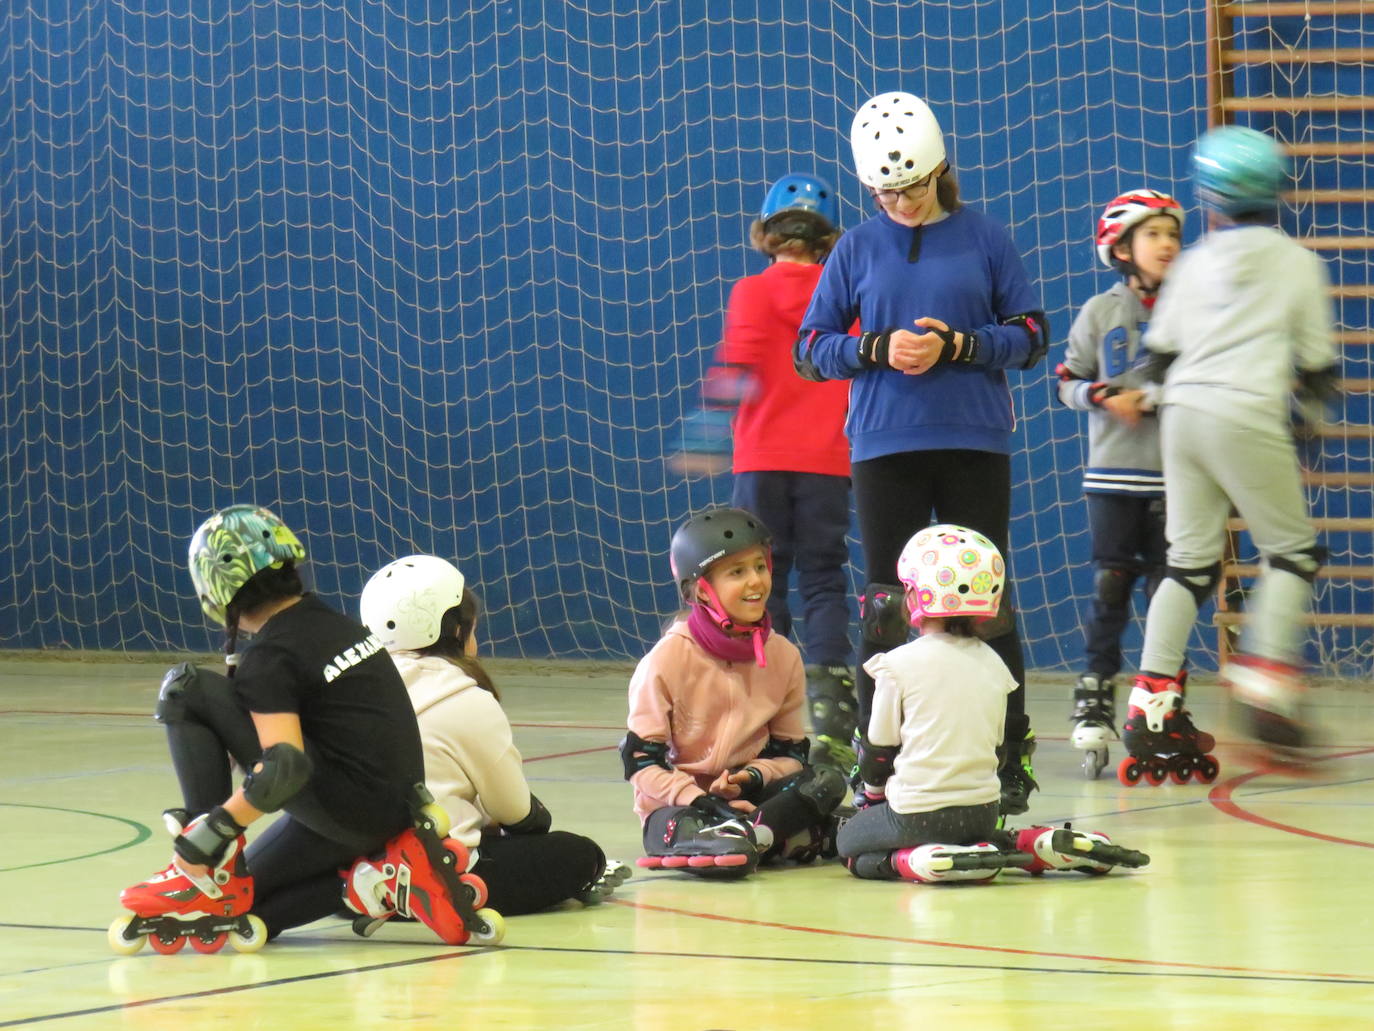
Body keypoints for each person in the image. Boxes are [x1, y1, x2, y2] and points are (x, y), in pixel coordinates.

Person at [795, 90, 1050, 814]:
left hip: (973, 437)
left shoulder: (985, 237)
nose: (900, 200)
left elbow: (1032, 333)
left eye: (911, 185)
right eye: (884, 189)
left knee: (985, 600)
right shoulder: (855, 247)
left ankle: (1007, 755)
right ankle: (883, 762)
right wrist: (876, 346)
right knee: (887, 605)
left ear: (939, 168)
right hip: (884, 444)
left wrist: (960, 344)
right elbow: (809, 350)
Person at [112, 505, 493, 955]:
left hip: (347, 805)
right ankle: (378, 881)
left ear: (215, 591)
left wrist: (213, 832)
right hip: (393, 809)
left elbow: (285, 767)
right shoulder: (335, 625)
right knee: (243, 906)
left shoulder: (271, 655)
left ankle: (208, 864)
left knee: (186, 688)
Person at [1126, 125, 1339, 777]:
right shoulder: (1297, 262)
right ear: (1278, 192)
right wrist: (1307, 427)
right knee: (1292, 555)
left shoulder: (1192, 262)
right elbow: (1317, 368)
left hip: (1183, 414)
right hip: (1246, 411)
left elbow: (1156, 358)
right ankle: (1266, 686)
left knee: (1188, 564)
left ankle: (1149, 705)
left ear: (1211, 199)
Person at [837, 525, 1150, 882]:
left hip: (916, 814)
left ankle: (919, 860)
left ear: (916, 596)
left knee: (849, 846)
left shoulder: (896, 666)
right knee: (968, 832)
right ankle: (1033, 845)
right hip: (984, 812)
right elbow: (998, 749)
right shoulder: (995, 664)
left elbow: (878, 753)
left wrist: (875, 798)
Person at [356, 553, 626, 926]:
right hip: (434, 877)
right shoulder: (465, 697)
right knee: (580, 854)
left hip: (356, 877)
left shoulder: (353, 690)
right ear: (455, 631)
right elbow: (515, 812)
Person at [699, 173, 858, 774]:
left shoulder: (750, 291)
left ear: (767, 236)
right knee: (824, 577)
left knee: (762, 581)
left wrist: (705, 434)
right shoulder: (843, 293)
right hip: (827, 459)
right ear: (826, 240)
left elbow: (735, 366)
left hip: (761, 457)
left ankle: (771, 705)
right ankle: (837, 713)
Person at [620, 507, 847, 877]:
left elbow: (790, 755)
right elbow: (642, 764)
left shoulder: (782, 656)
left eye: (760, 566)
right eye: (737, 572)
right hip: (681, 806)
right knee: (685, 826)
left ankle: (749, 836)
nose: (756, 581)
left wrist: (751, 777)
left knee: (825, 780)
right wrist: (701, 798)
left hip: (749, 798)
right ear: (701, 590)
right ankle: (772, 835)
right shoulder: (666, 659)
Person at [1055, 189, 1184, 779]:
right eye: (1153, 234)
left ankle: (1162, 703)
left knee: (1169, 594)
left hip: (1180, 478)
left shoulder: (1191, 310)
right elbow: (1067, 382)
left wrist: (1158, 398)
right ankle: (1095, 696)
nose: (1167, 245)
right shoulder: (1099, 311)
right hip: (1113, 477)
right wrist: (1106, 396)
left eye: (1173, 235)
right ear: (1122, 248)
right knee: (1112, 585)